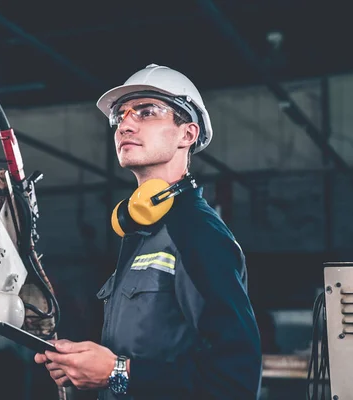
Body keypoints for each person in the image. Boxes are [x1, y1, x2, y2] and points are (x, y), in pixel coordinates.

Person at [34, 64, 263, 399]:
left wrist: (116, 373)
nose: (125, 124)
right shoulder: (141, 231)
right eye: (120, 116)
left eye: (146, 112)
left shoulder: (197, 232)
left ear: (187, 134)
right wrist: (86, 368)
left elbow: (234, 381)